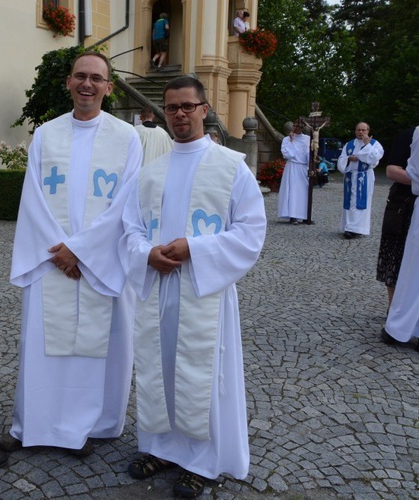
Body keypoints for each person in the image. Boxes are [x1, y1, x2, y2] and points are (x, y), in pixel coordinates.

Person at [119, 76, 266, 499]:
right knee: (160, 368)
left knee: (204, 376)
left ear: (205, 109)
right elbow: (129, 230)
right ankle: (162, 448)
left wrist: (194, 249)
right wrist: (146, 254)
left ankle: (203, 462)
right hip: (159, 288)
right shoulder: (151, 172)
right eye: (172, 107)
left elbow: (251, 232)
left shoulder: (231, 166)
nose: (179, 114)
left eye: (187, 106)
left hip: (205, 292)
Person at [0, 51, 141, 458]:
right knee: (44, 347)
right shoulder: (46, 134)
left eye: (96, 78)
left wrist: (80, 252)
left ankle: (90, 426)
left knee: (97, 349)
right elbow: (34, 200)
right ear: (68, 82)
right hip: (50, 261)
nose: (87, 84)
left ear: (108, 87)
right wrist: (60, 253)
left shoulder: (126, 138)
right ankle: (35, 424)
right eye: (80, 76)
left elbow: (126, 204)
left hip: (99, 264)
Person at [376, 127, 417, 340]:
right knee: (395, 257)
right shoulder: (409, 135)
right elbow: (392, 170)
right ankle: (393, 310)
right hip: (403, 202)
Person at [337, 122, 384, 239]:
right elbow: (341, 159)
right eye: (359, 130)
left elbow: (374, 158)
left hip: (364, 177)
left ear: (368, 131)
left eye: (363, 130)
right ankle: (348, 227)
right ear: (355, 131)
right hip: (350, 176)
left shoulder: (374, 144)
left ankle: (358, 229)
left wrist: (367, 145)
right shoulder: (349, 144)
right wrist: (348, 158)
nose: (361, 132)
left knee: (361, 203)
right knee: (349, 203)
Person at [278, 118, 310, 225]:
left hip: (303, 167)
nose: (296, 128)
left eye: (298, 126)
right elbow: (287, 154)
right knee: (292, 191)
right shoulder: (286, 139)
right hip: (292, 167)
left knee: (304, 192)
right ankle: (293, 215)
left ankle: (305, 215)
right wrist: (291, 141)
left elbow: (309, 154)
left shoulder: (307, 139)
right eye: (295, 125)